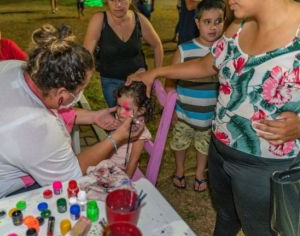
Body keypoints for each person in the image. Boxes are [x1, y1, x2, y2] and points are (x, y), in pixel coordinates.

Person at [0, 23, 144, 234]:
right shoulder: (35, 128)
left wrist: (93, 116)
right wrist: (116, 139)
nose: (79, 96)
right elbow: (72, 173)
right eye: (81, 89)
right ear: (62, 94)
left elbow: (46, 108)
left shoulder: (16, 69)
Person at [127, 0, 300, 235]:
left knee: (260, 230)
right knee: (226, 216)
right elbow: (208, 65)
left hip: (264, 165)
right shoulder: (239, 23)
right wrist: (157, 72)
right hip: (219, 151)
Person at [166, 0, 225, 192]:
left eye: (218, 21)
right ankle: (180, 170)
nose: (213, 27)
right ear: (197, 23)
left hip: (209, 117)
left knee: (204, 148)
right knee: (179, 144)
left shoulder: (224, 51)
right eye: (207, 22)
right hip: (184, 114)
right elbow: (170, 81)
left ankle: (200, 173)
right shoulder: (184, 50)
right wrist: (171, 110)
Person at [83, 0, 163, 108]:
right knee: (119, 117)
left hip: (138, 81)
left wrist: (156, 74)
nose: (118, 5)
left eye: (122, 0)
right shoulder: (99, 20)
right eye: (113, 0)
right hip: (111, 81)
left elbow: (157, 45)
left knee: (138, 118)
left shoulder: (139, 19)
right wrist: (83, 81)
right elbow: (86, 55)